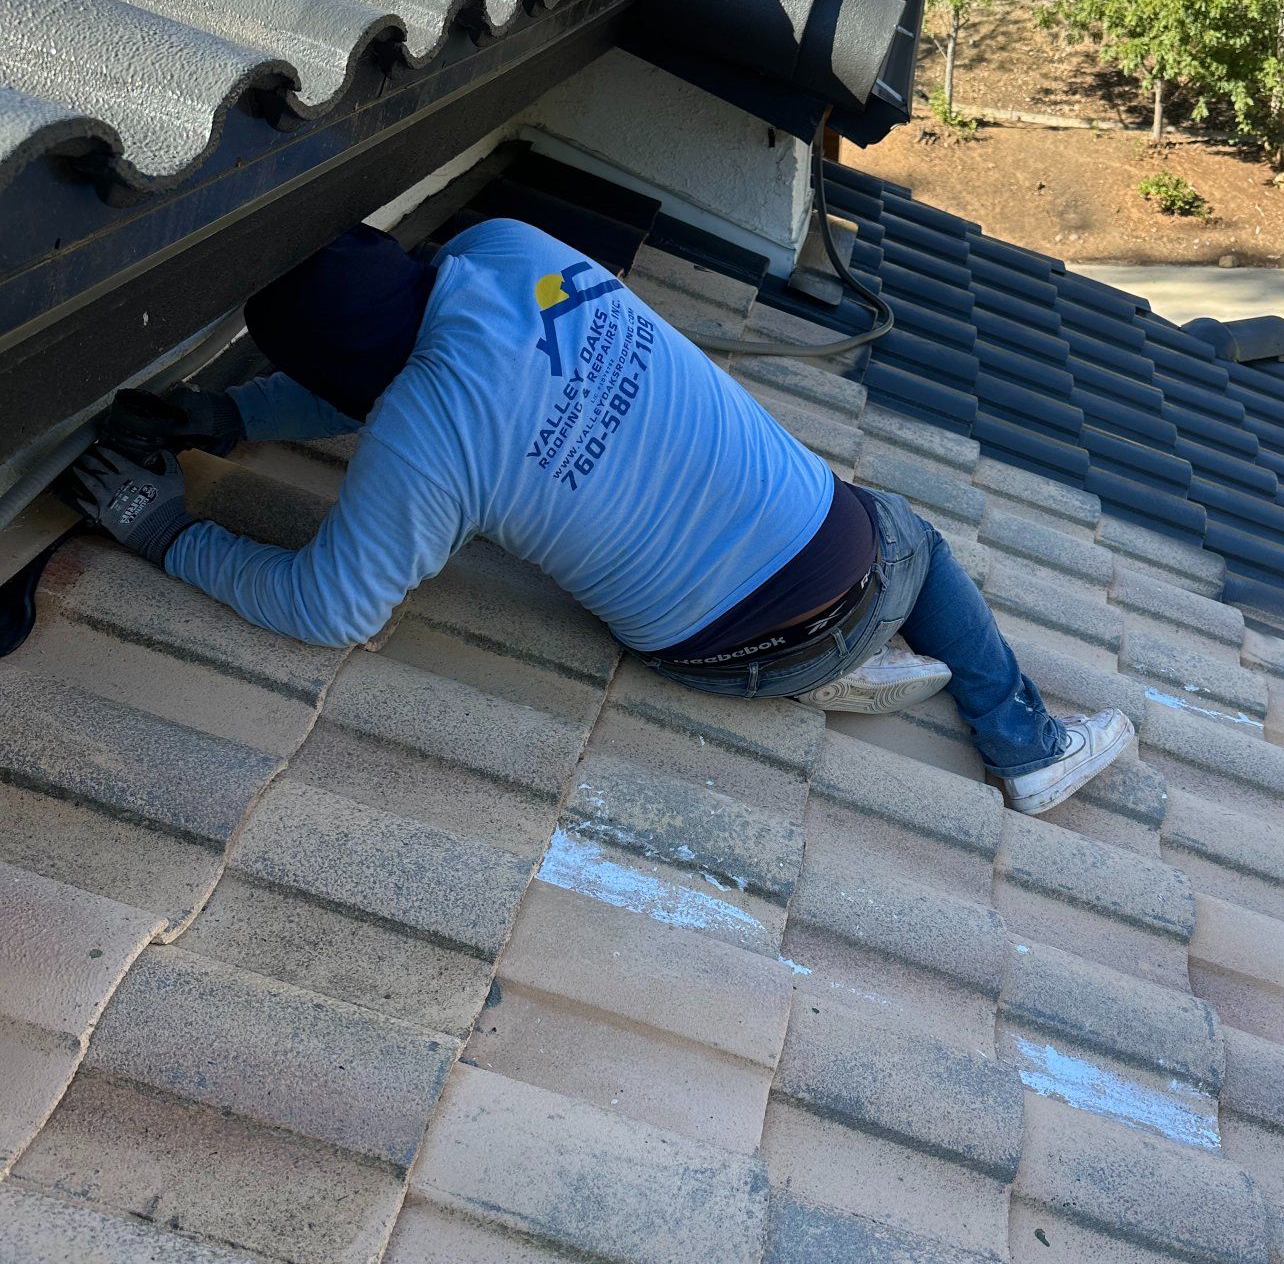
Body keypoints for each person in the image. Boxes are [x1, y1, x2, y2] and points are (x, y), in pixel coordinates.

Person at [62, 219, 1133, 816]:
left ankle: (927, 702)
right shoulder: (507, 248)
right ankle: (1021, 740)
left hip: (727, 653)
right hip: (835, 556)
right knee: (912, 533)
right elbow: (418, 384)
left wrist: (165, 531)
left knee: (868, 546)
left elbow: (329, 605)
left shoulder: (424, 436)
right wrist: (232, 416)